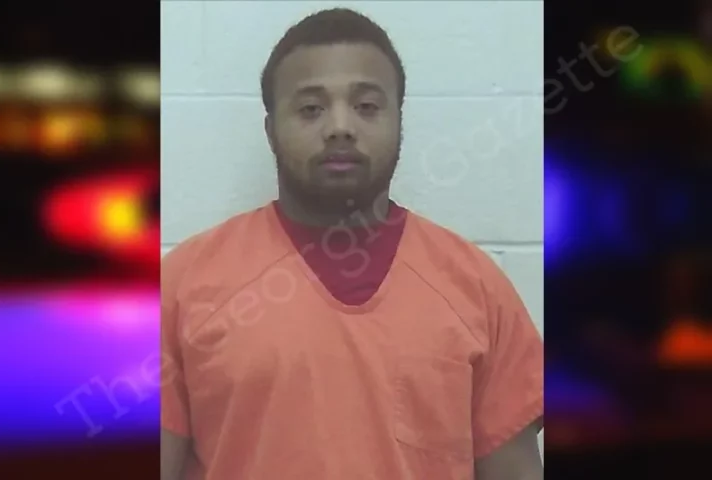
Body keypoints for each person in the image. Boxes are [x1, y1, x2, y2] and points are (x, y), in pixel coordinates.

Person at [161, 8, 543, 480]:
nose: (340, 126)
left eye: (366, 106)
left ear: (399, 121)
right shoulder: (183, 285)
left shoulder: (478, 289)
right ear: (270, 130)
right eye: (311, 108)